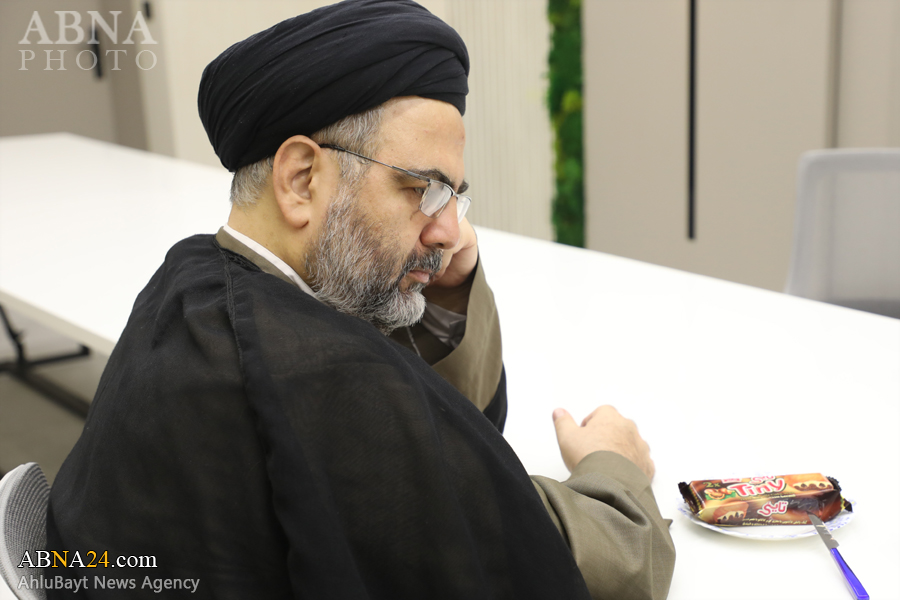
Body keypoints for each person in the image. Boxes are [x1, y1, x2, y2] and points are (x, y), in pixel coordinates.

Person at [46, 1, 675, 598]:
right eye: (422, 188)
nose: (449, 231)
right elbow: (608, 569)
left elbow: (425, 450)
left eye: (454, 197)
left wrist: (443, 290)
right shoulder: (324, 381)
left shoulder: (189, 278)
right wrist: (612, 469)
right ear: (301, 179)